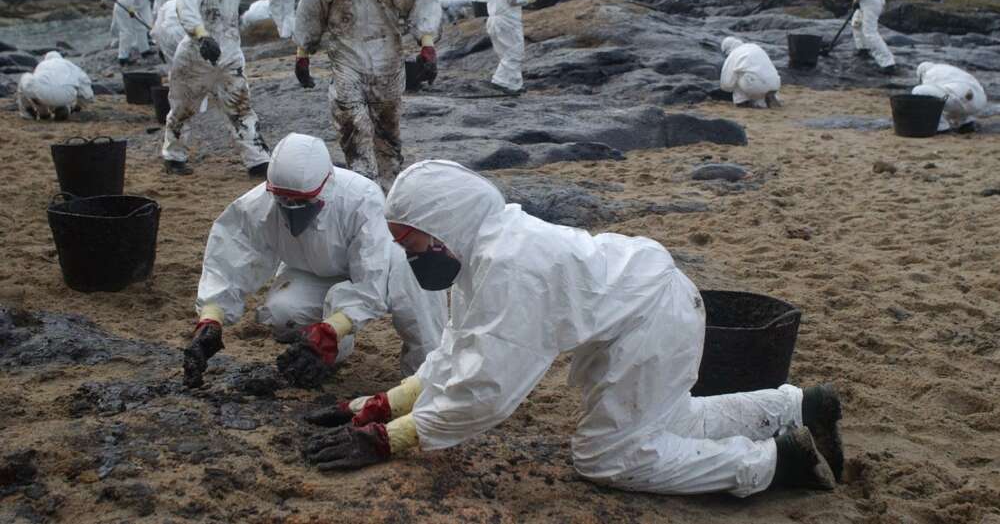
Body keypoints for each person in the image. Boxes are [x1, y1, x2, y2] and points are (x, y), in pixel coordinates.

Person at [302, 160, 845, 497]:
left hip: (649, 321)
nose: (407, 255)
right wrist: (375, 406)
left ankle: (775, 465)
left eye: (410, 244)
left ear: (442, 228)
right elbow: (457, 352)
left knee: (607, 458)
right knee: (669, 422)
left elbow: (486, 388)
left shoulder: (510, 266)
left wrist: (391, 440)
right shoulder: (483, 252)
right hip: (644, 308)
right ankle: (795, 408)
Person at [182, 133, 447, 390]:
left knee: (411, 282)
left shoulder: (361, 198)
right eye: (284, 200)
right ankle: (332, 350)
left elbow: (371, 282)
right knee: (282, 313)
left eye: (302, 201)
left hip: (387, 268)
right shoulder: (256, 205)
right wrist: (211, 319)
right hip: (314, 272)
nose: (292, 208)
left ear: (326, 185)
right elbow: (227, 258)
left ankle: (424, 378)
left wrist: (334, 328)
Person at [294, 0, 442, 193]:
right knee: (351, 123)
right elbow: (311, 10)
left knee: (387, 130)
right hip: (346, 57)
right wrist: (303, 53)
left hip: (387, 58)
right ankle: (363, 186)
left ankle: (389, 189)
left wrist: (426, 45)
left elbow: (421, 0)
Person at [161, 0, 271, 178]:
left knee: (241, 106)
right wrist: (201, 35)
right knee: (183, 108)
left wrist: (228, 42)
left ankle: (257, 160)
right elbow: (185, 5)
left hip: (230, 53)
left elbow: (230, 14)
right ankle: (174, 156)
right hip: (196, 55)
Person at [485, 0, 534, 95]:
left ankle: (514, 85)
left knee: (505, 54)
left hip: (493, 20)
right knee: (515, 52)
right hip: (507, 21)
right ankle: (500, 82)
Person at [912, 62, 988, 133]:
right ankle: (966, 123)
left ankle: (941, 126)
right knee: (951, 95)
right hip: (979, 101)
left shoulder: (928, 73)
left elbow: (930, 100)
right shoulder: (947, 69)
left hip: (960, 100)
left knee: (918, 91)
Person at [17, 51, 93, 120]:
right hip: (66, 95)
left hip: (43, 94)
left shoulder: (42, 64)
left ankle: (33, 113)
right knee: (61, 89)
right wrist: (78, 106)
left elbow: (33, 86)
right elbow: (86, 86)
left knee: (27, 79)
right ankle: (64, 107)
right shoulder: (70, 65)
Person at [720, 36, 782, 108]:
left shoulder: (733, 54)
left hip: (756, 86)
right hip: (775, 83)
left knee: (736, 77)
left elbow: (727, 83)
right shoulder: (754, 47)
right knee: (751, 75)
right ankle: (768, 97)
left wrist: (727, 89)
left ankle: (742, 102)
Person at [112, 0, 153, 65]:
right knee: (126, 32)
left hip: (130, 9)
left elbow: (144, 14)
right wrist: (130, 9)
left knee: (141, 27)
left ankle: (144, 50)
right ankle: (123, 58)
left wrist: (149, 26)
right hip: (123, 8)